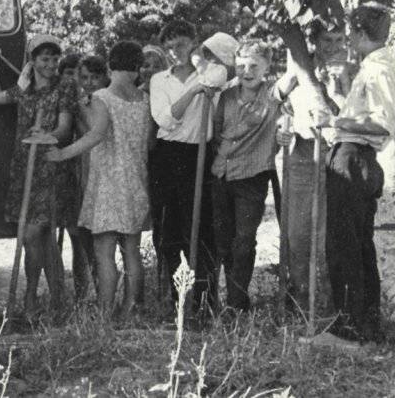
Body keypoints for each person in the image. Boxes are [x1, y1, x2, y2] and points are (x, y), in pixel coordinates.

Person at [313, 4, 395, 347]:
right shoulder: (377, 66)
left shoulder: (379, 68)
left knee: (344, 247)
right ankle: (365, 329)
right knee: (358, 246)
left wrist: (334, 122)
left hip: (354, 157)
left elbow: (381, 123)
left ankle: (347, 331)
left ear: (361, 33)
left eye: (350, 33)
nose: (348, 40)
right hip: (356, 156)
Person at [45, 42, 151, 318]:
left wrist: (62, 153)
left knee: (104, 251)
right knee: (131, 250)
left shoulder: (103, 96)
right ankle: (131, 308)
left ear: (110, 67)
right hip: (136, 180)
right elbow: (149, 142)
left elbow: (96, 134)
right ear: (137, 68)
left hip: (108, 181)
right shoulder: (144, 99)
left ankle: (104, 311)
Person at [0, 34, 75, 314]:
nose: (50, 64)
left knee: (36, 232)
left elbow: (64, 127)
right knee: (34, 236)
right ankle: (39, 297)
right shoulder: (24, 88)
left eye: (54, 59)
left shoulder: (64, 87)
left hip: (50, 165)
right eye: (45, 59)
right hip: (25, 167)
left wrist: (46, 135)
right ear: (33, 61)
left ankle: (41, 297)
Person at [149, 22, 238, 311]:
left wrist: (201, 79)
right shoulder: (159, 80)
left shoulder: (210, 72)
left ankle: (204, 300)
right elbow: (165, 120)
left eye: (183, 44)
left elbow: (221, 75)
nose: (177, 51)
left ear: (193, 44)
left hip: (198, 153)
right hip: (167, 155)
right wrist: (192, 92)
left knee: (200, 229)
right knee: (168, 230)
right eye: (171, 46)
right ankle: (176, 299)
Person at [275, 21, 352, 312]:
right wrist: (284, 128)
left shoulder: (352, 74)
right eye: (326, 41)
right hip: (302, 156)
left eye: (338, 40)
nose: (333, 47)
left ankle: (328, 302)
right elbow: (276, 98)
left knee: (328, 235)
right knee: (298, 234)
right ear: (315, 43)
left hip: (337, 159)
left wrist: (341, 84)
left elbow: (352, 115)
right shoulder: (301, 71)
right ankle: (299, 297)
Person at [210, 41, 281, 311]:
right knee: (221, 240)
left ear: (266, 67)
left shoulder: (273, 97)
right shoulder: (226, 96)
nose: (247, 71)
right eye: (241, 65)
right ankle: (216, 300)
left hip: (252, 176)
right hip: (221, 173)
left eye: (254, 65)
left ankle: (238, 302)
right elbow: (217, 130)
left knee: (244, 241)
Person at [66, 54, 109, 302]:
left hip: (107, 171)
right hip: (83, 171)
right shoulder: (78, 102)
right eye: (84, 78)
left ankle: (110, 296)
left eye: (95, 77)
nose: (90, 82)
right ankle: (83, 295)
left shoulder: (107, 101)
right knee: (82, 237)